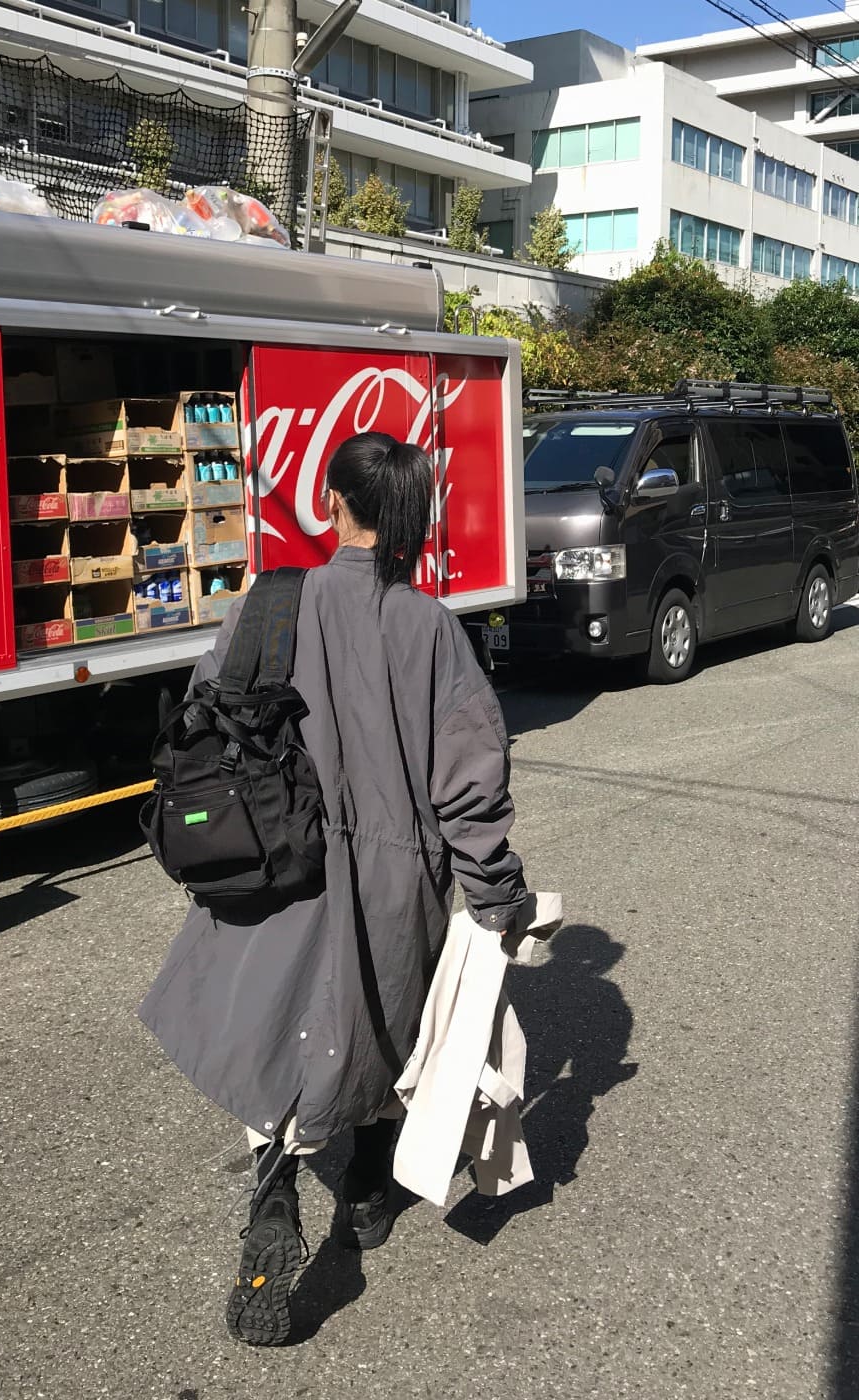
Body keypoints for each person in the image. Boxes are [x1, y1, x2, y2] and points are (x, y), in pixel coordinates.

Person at [139, 431, 533, 1346]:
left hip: (273, 861)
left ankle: (274, 1196)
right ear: (410, 516)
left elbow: (205, 725)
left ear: (331, 500)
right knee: (384, 1028)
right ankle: (364, 1193)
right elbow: (468, 783)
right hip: (394, 879)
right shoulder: (429, 627)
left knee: (274, 1022)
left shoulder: (267, 603)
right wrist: (498, 892)